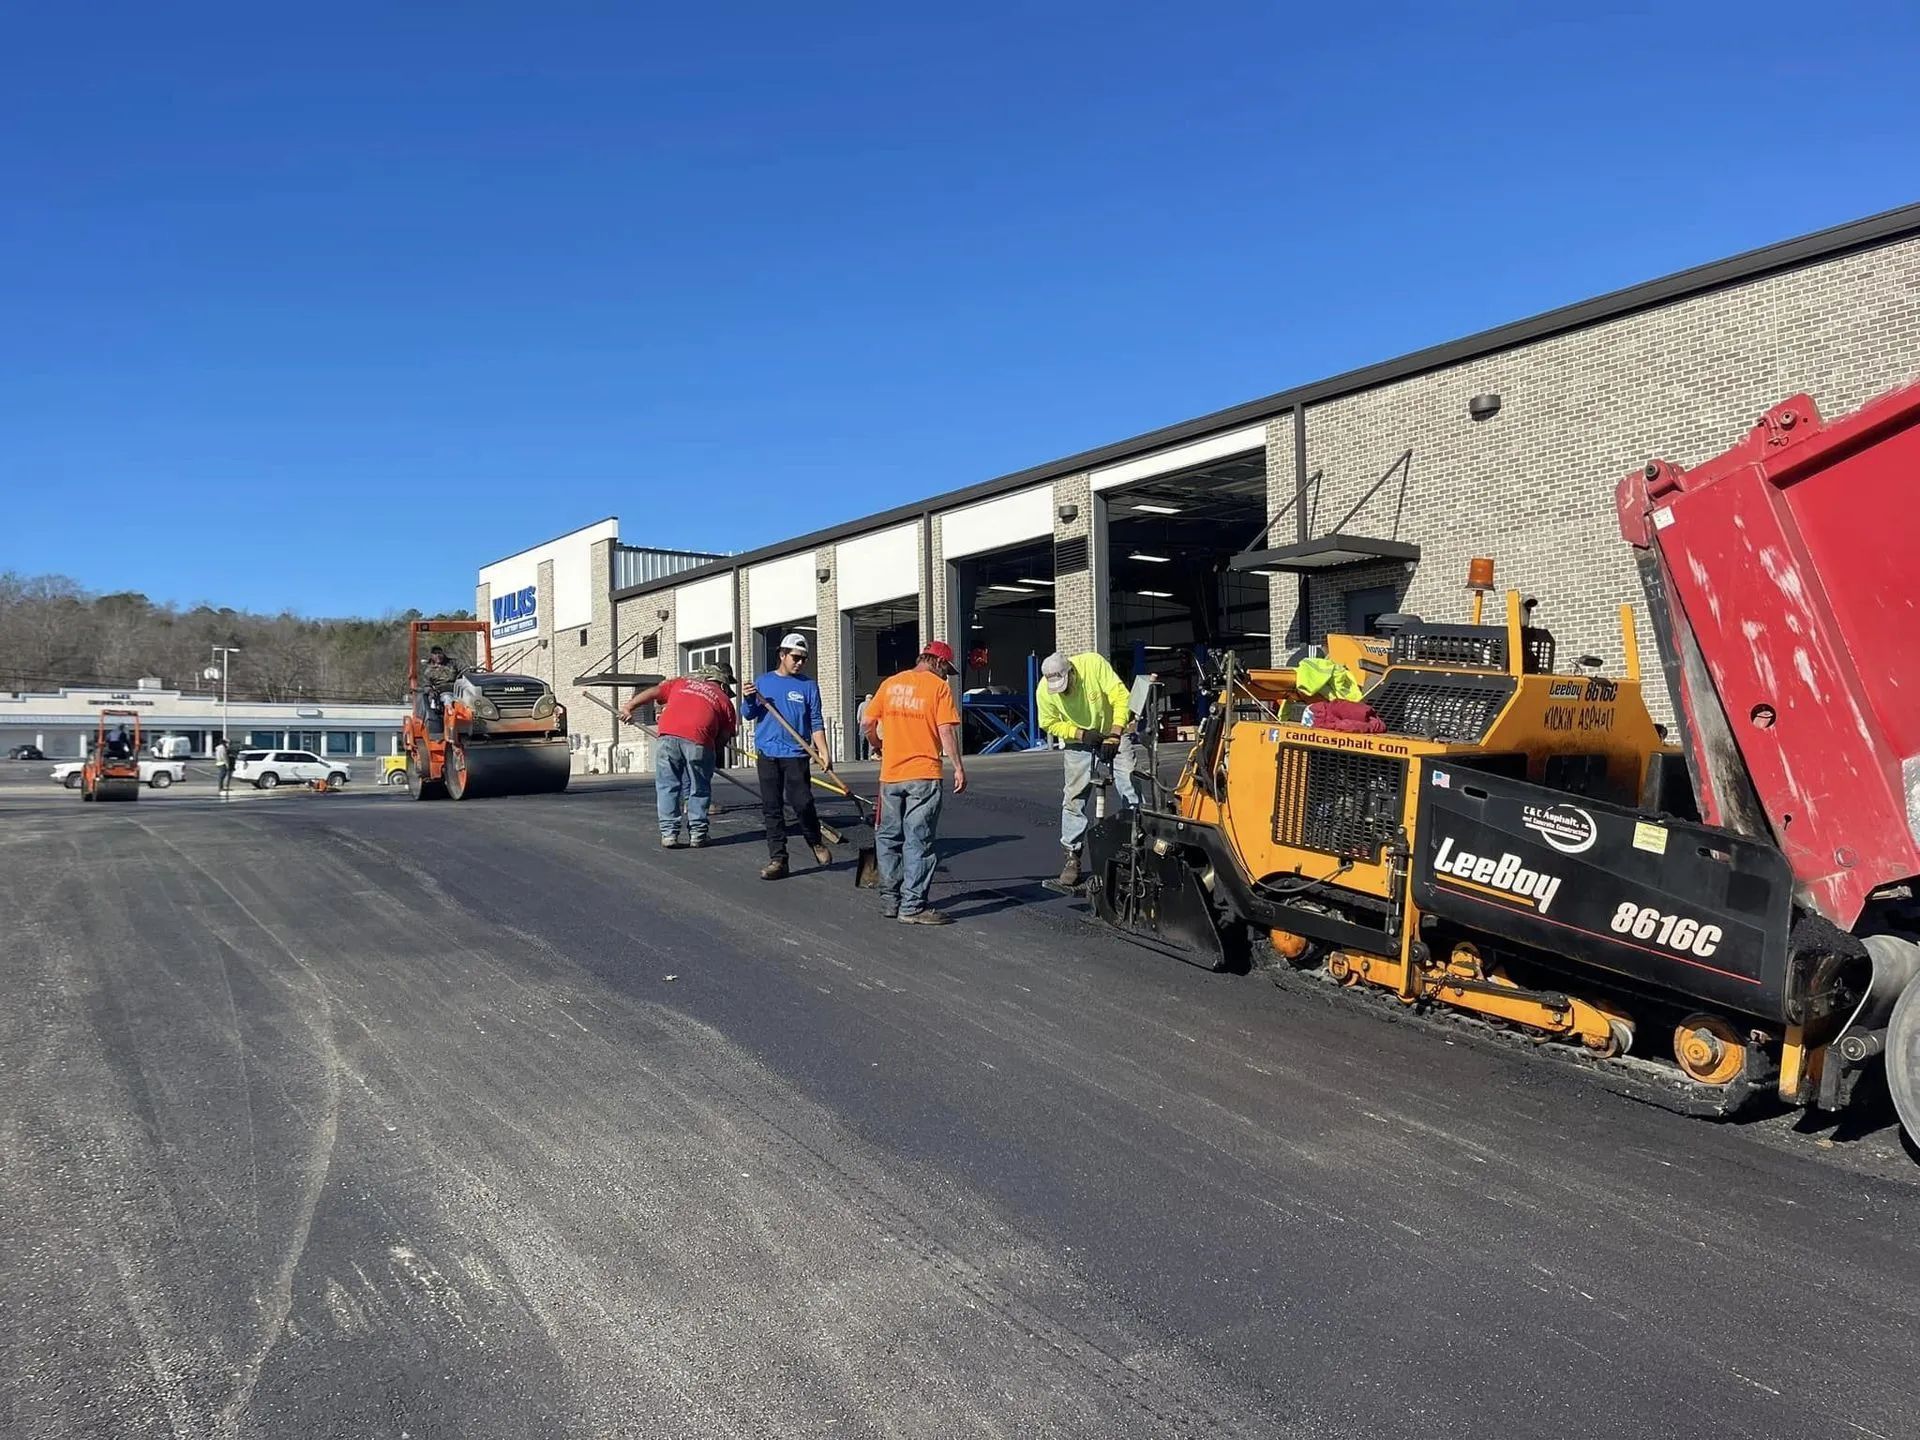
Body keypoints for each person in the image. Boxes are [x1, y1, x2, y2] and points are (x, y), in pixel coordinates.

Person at [861, 640, 966, 924]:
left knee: (888, 838)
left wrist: (878, 744)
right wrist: (958, 767)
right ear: (939, 663)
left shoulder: (890, 684)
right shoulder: (938, 688)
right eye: (947, 670)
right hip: (924, 774)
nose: (947, 677)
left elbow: (867, 724)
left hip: (891, 776)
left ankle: (890, 901)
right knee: (918, 840)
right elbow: (945, 732)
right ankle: (912, 907)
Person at [1036, 650, 1142, 888]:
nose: (1062, 691)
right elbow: (1048, 722)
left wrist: (1115, 734)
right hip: (1079, 740)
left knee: (1130, 784)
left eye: (1065, 684)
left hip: (1111, 730)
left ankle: (1137, 845)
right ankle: (1072, 856)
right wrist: (1081, 734)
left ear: (1071, 672)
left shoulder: (1093, 665)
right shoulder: (1044, 690)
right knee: (1074, 797)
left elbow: (1120, 696)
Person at [740, 633, 833, 880]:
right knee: (772, 807)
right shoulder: (764, 682)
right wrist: (749, 697)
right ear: (782, 655)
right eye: (795, 657)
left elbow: (815, 720)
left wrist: (823, 750)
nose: (800, 662)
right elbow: (748, 714)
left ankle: (815, 840)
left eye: (804, 658)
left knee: (802, 802)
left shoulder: (808, 685)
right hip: (768, 752)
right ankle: (778, 859)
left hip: (796, 753)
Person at [620, 663, 738, 848]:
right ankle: (698, 834)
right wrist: (710, 755)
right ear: (722, 684)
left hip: (668, 736)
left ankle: (669, 834)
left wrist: (629, 707)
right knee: (699, 787)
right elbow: (724, 736)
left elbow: (653, 692)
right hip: (699, 740)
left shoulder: (681, 683)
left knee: (667, 786)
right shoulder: (724, 700)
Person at [421, 644, 464, 730]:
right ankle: (452, 722)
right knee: (448, 699)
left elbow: (464, 669)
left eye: (439, 653)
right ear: (432, 656)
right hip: (442, 693)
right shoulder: (429, 670)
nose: (438, 656)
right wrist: (430, 691)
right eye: (435, 653)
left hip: (459, 689)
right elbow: (426, 685)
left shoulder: (453, 663)